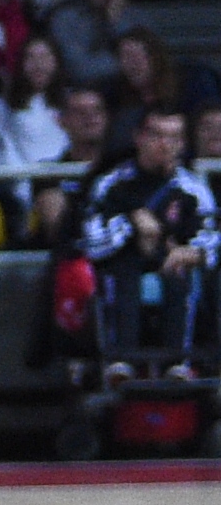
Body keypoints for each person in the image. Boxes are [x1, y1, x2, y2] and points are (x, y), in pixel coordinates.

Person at [75, 109, 213, 381]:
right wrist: (130, 224)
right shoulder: (112, 184)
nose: (165, 144)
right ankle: (120, 361)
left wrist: (193, 252)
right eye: (157, 135)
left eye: (174, 137)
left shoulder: (192, 188)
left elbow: (210, 236)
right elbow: (91, 242)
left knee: (179, 273)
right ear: (139, 137)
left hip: (173, 264)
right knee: (121, 270)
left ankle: (178, 364)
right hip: (123, 264)